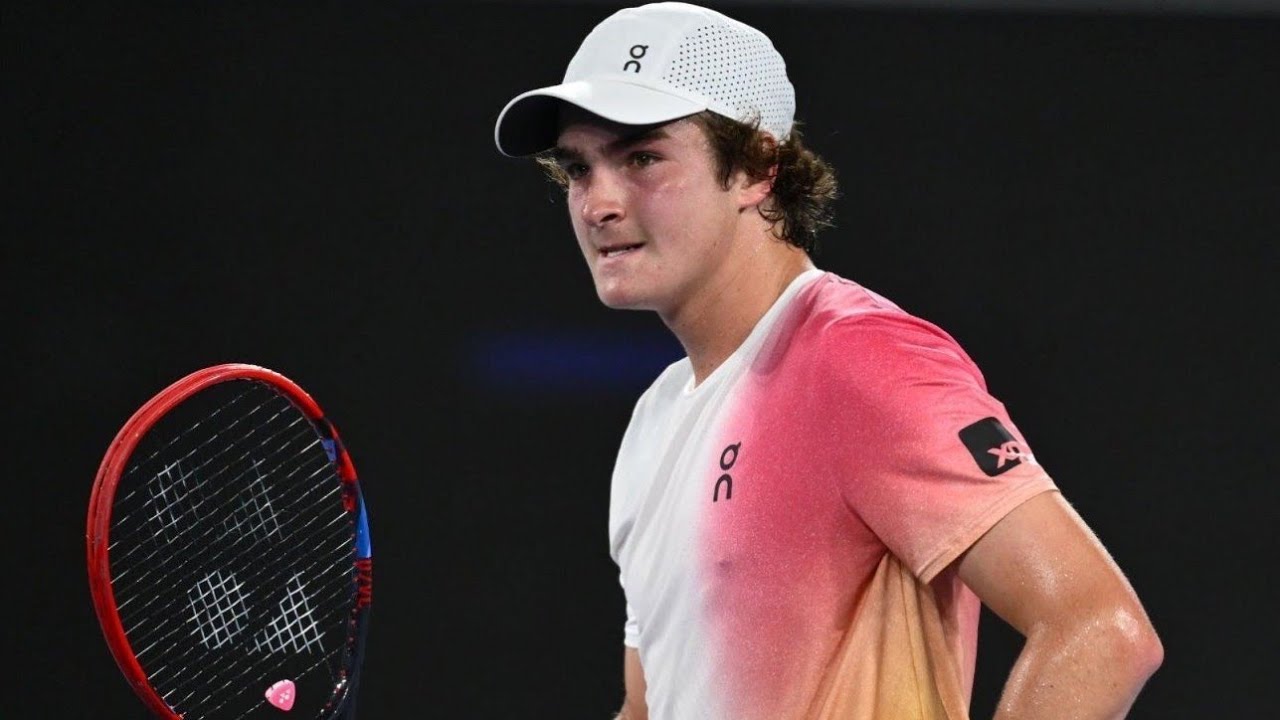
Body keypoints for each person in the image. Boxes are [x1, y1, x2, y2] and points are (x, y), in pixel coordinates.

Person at [493, 3, 1163, 719]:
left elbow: (1101, 630)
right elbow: (648, 706)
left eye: (641, 159)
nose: (597, 203)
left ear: (756, 169)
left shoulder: (859, 356)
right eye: (578, 168)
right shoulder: (653, 419)